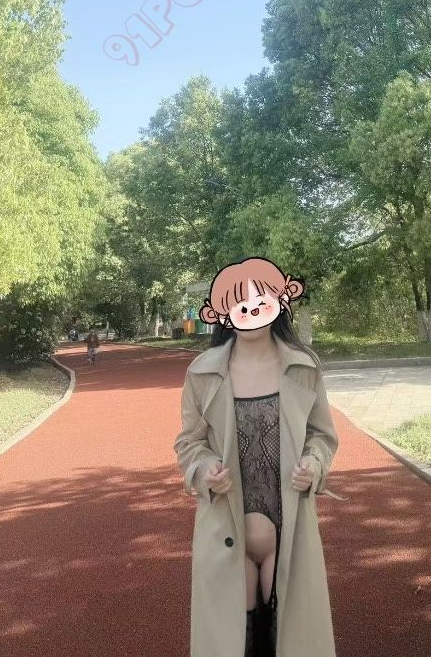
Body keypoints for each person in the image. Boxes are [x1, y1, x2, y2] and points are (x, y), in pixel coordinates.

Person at [174, 257, 341, 657]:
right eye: (239, 305)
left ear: (281, 301)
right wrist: (204, 470)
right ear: (222, 314)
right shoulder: (202, 373)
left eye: (260, 301)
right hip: (225, 527)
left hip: (291, 527)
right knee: (238, 639)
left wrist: (314, 464)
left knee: (288, 634)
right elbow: (189, 443)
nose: (250, 311)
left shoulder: (303, 367)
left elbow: (321, 435)